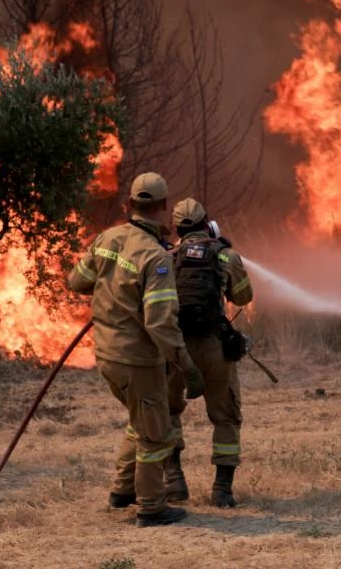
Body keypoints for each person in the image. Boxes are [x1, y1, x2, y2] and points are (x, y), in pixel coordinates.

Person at [67, 172, 205, 527]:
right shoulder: (155, 258)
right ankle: (152, 506)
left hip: (107, 356)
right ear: (162, 206)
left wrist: (111, 288)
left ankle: (121, 491)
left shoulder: (107, 239)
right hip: (138, 361)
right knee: (157, 434)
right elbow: (160, 324)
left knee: (138, 420)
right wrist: (187, 367)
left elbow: (77, 281)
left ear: (130, 204)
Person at [165, 198, 254, 508]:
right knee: (226, 416)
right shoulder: (225, 255)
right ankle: (222, 491)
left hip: (175, 349)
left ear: (176, 228)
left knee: (167, 411)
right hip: (215, 349)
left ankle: (174, 482)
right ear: (207, 223)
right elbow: (244, 296)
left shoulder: (165, 257)